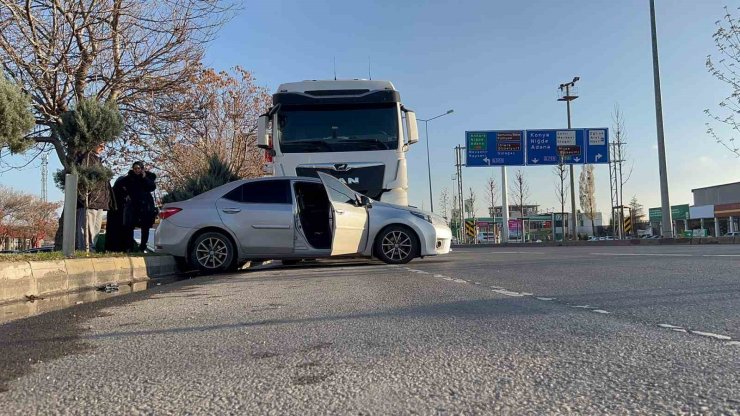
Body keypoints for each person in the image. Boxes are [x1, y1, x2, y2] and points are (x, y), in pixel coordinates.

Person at [108, 161, 157, 252]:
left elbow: (152, 187)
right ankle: (129, 246)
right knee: (129, 226)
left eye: (139, 168)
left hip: (145, 205)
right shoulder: (128, 178)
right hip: (132, 205)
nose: (137, 170)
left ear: (142, 169)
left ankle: (142, 246)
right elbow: (119, 186)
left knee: (145, 227)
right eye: (135, 168)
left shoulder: (149, 176)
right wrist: (126, 194)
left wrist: (144, 178)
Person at [76, 143, 112, 252]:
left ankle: (91, 249)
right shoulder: (85, 158)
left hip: (100, 201)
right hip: (89, 200)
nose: (102, 147)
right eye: (100, 144)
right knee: (87, 228)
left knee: (96, 230)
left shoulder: (98, 160)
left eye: (104, 145)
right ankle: (86, 250)